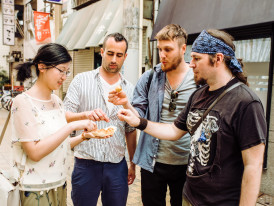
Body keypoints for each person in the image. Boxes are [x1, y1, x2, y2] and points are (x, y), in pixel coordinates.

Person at [117, 29, 267, 205]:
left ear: (218, 59)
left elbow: (253, 166)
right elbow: (174, 130)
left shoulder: (246, 103)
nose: (191, 64)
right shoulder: (199, 95)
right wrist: (139, 122)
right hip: (190, 196)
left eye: (196, 58)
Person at [109, 24, 197, 206]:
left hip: (187, 164)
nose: (162, 55)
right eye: (159, 49)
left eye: (168, 49)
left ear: (183, 49)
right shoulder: (149, 77)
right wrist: (126, 103)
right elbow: (138, 118)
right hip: (152, 161)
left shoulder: (198, 80)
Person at [11, 43, 99, 206]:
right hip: (36, 189)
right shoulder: (23, 102)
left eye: (67, 72)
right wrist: (72, 126)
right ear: (42, 67)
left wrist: (84, 136)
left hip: (59, 184)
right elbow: (35, 152)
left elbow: (59, 146)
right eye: (61, 70)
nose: (64, 77)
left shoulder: (57, 101)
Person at [63, 33, 137, 206]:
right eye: (110, 53)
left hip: (117, 166)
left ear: (125, 57)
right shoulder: (81, 80)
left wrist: (132, 164)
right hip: (85, 164)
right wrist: (85, 115)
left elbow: (130, 130)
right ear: (102, 52)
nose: (114, 59)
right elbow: (64, 116)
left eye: (119, 55)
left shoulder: (130, 90)